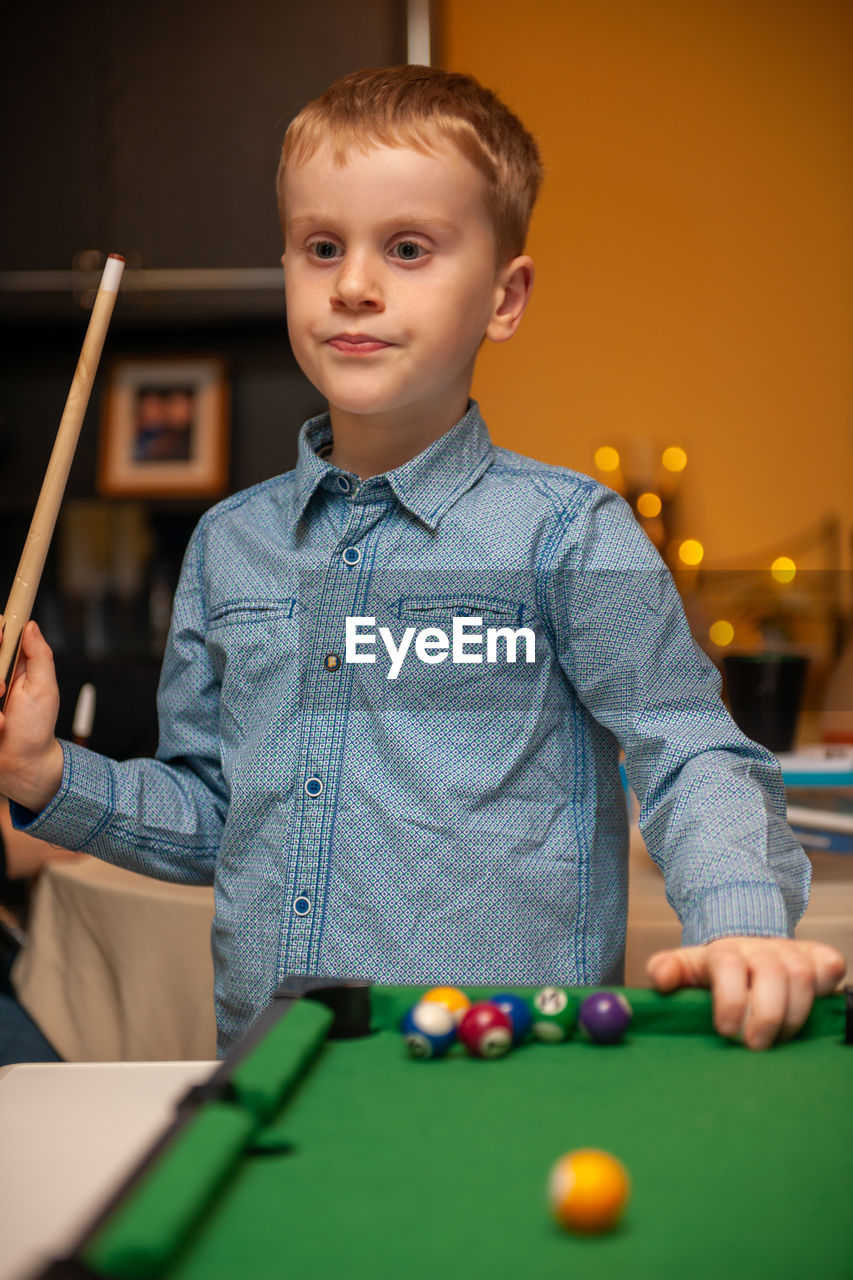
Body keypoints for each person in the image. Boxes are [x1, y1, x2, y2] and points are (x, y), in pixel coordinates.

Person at [0, 66, 845, 1056]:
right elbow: (220, 814)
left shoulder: (570, 532)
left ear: (504, 295)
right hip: (278, 1071)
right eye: (322, 247)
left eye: (407, 248)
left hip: (508, 1071)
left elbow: (690, 748)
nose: (352, 283)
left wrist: (740, 920)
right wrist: (47, 769)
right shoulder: (229, 547)